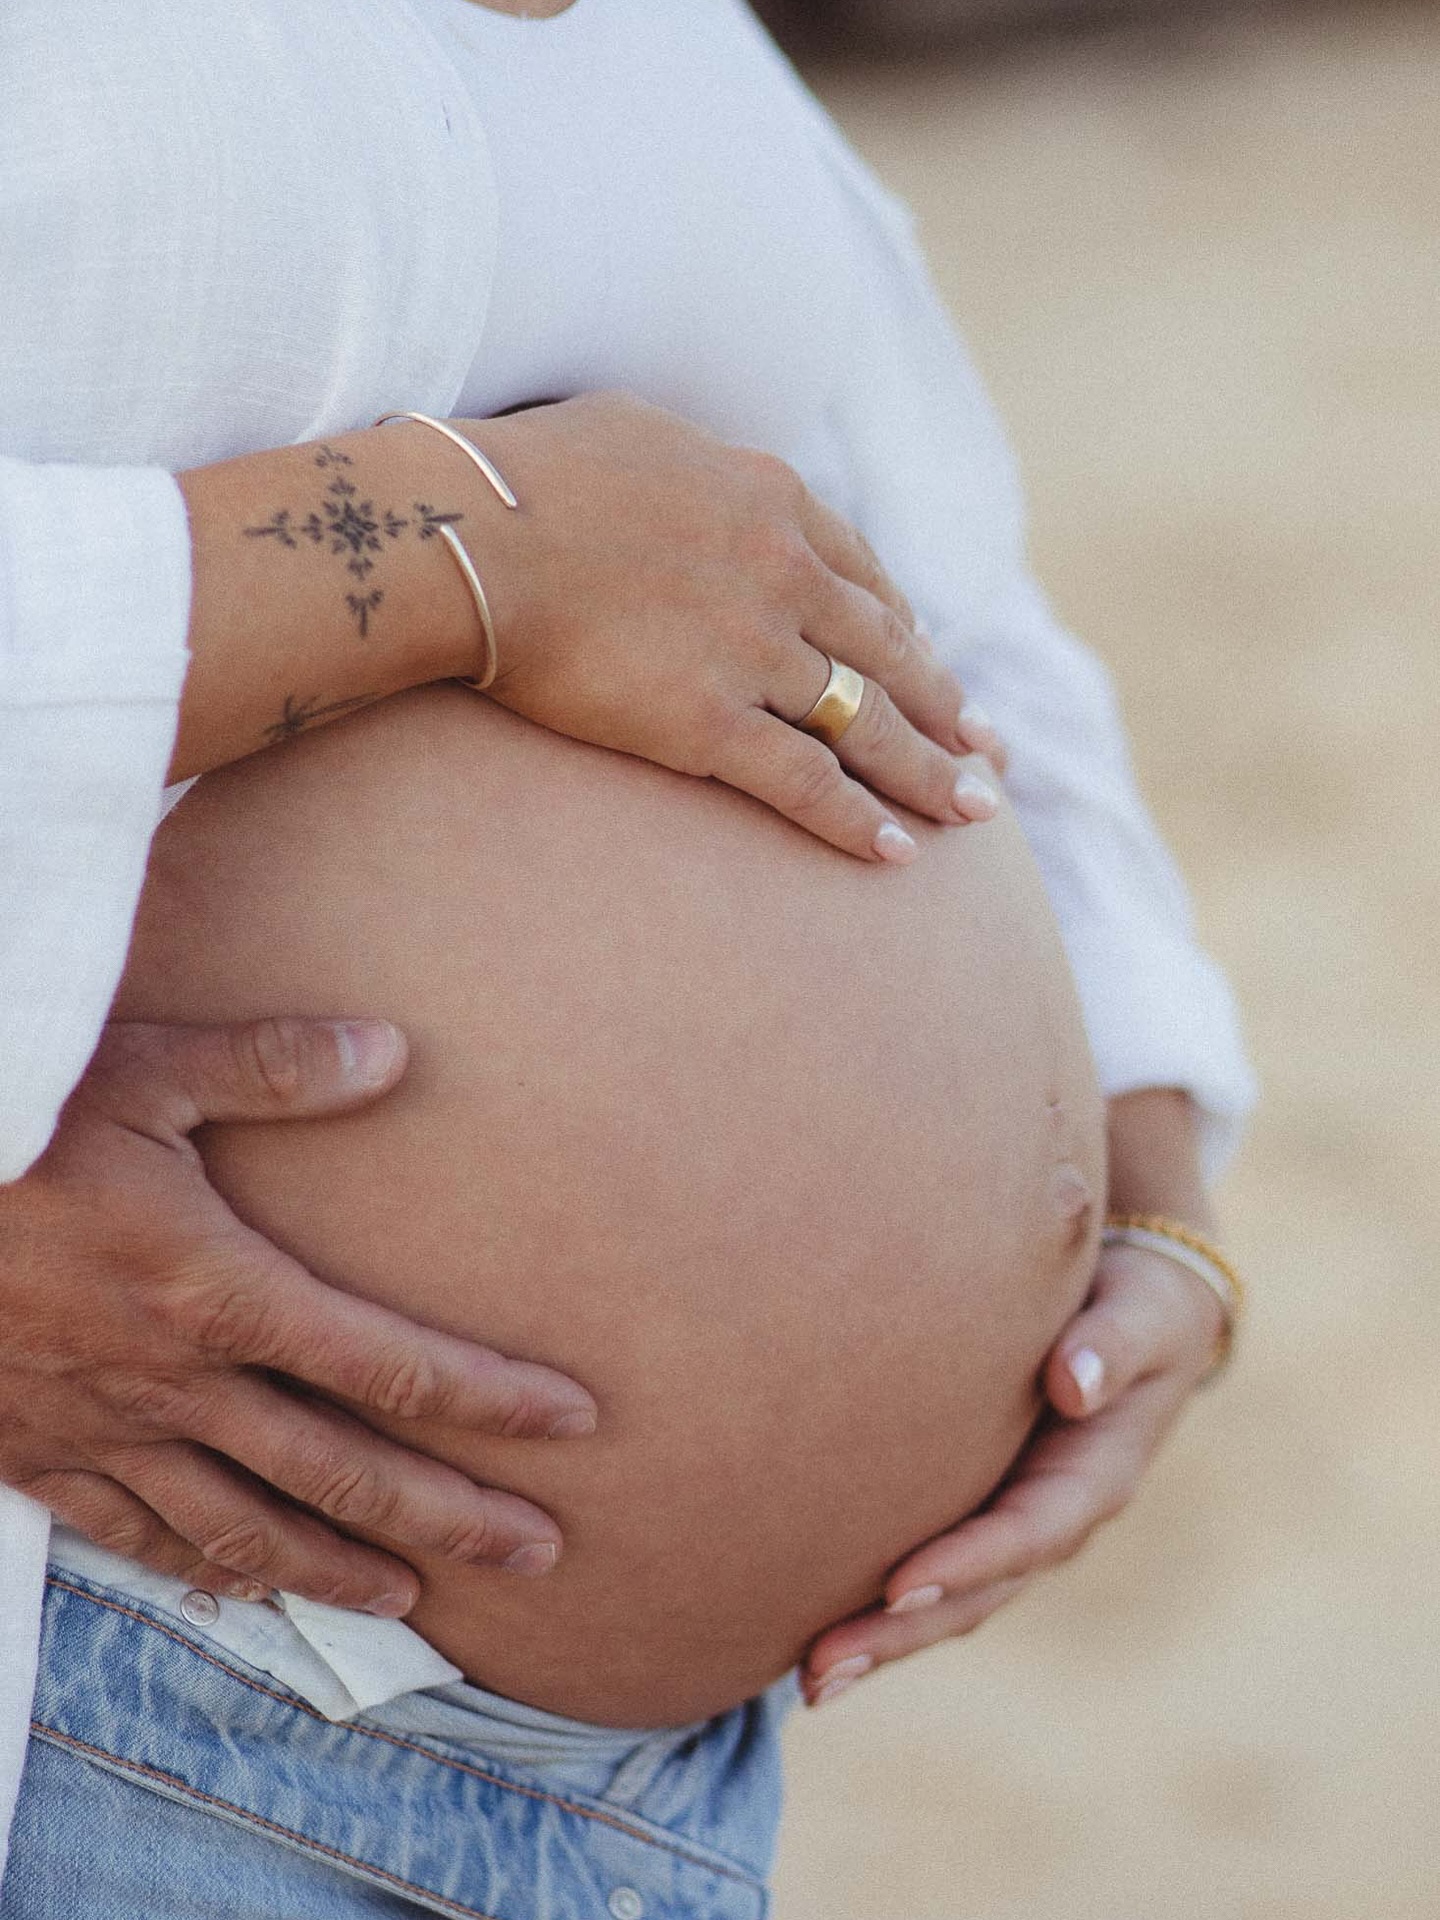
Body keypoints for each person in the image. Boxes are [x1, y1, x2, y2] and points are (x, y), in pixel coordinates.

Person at [0, 0, 1256, 1910]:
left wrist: (1149, 1174)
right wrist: (460, 552)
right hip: (117, 1681)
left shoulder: (689, 42)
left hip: (666, 1795)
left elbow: (921, 589)